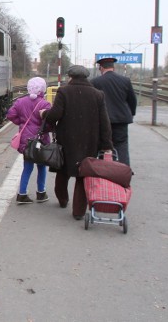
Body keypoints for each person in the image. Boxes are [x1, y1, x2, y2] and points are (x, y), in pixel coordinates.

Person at [40, 65, 113, 220]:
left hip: (67, 139)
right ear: (86, 77)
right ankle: (78, 211)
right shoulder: (98, 94)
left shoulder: (64, 91)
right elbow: (105, 122)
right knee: (82, 174)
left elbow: (54, 115)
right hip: (89, 141)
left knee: (63, 171)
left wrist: (44, 113)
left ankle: (63, 200)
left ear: (71, 77)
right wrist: (107, 145)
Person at [6, 77, 52, 204]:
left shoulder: (20, 101)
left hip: (26, 140)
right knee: (42, 167)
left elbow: (10, 115)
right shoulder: (45, 104)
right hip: (40, 141)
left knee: (27, 167)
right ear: (42, 89)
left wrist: (21, 123)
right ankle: (41, 193)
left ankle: (22, 194)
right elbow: (49, 124)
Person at [91, 57, 137, 166]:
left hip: (102, 122)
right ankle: (124, 171)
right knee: (121, 146)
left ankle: (103, 171)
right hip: (121, 120)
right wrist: (131, 113)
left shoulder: (95, 82)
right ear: (113, 67)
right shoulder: (125, 80)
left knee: (102, 146)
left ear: (101, 68)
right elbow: (132, 100)